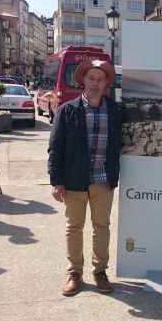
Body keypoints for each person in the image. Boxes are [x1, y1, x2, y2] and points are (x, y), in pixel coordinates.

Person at [48, 60, 123, 296]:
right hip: (74, 181)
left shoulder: (115, 111)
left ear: (107, 84)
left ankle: (100, 271)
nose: (95, 83)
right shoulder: (68, 110)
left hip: (102, 180)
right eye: (91, 78)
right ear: (83, 80)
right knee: (74, 227)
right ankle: (75, 273)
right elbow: (55, 148)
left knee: (102, 227)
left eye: (100, 79)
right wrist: (56, 180)